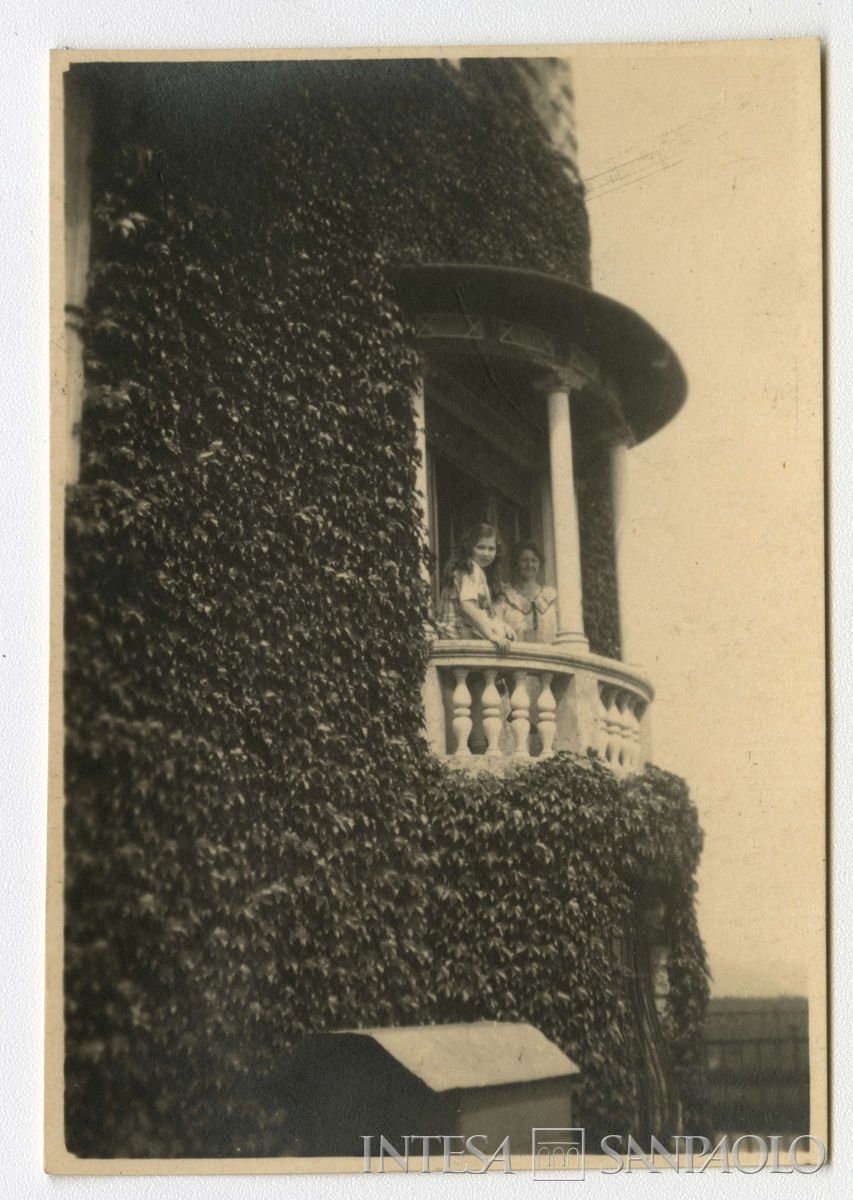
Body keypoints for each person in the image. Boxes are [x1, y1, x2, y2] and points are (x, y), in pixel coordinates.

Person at [435, 523, 516, 653]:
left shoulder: (473, 570)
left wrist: (504, 626)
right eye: (480, 547)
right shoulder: (471, 570)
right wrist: (491, 635)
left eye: (491, 549)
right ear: (469, 548)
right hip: (457, 636)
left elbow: (488, 614)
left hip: (454, 637)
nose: (486, 553)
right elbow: (467, 606)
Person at [500, 540, 558, 643]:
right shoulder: (506, 598)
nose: (529, 564)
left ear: (539, 564)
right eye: (524, 560)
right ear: (516, 563)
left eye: (534, 560)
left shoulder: (550, 597)